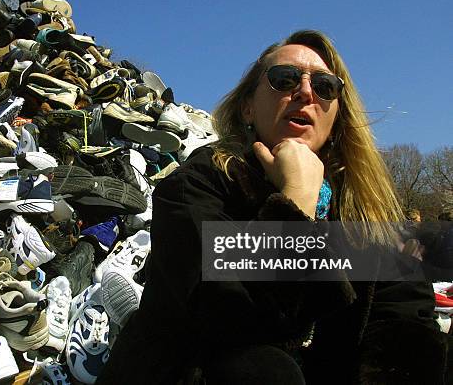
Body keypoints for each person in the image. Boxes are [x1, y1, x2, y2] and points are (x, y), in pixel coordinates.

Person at [96, 30, 448, 384]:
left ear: (336, 114)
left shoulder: (365, 205)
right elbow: (227, 316)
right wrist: (296, 200)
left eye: (325, 86)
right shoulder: (200, 183)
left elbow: (403, 325)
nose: (306, 92)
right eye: (285, 79)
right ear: (248, 106)